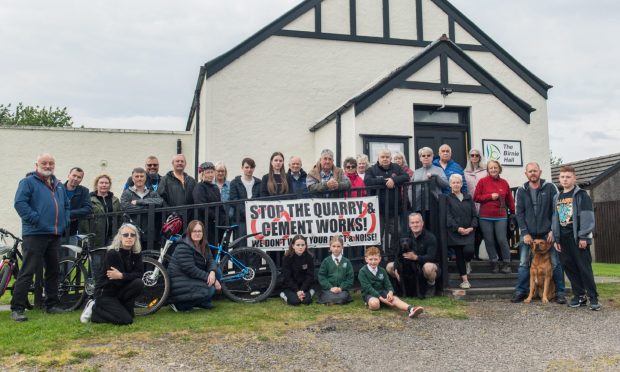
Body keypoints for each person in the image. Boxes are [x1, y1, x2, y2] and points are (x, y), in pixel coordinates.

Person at [11, 153, 70, 321]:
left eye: (51, 163)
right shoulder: (28, 182)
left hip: (55, 233)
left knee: (53, 270)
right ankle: (17, 309)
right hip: (35, 234)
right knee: (28, 271)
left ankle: (51, 305)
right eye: (44, 163)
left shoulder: (58, 185)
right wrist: (35, 219)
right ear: (36, 164)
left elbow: (66, 205)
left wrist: (64, 222)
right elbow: (20, 203)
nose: (48, 165)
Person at [511, 162, 565, 304]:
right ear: (526, 174)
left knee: (555, 263)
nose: (533, 173)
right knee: (523, 263)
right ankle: (521, 292)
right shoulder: (521, 190)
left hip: (547, 234)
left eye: (535, 171)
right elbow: (519, 213)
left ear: (540, 172)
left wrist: (553, 230)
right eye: (530, 171)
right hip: (528, 234)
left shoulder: (550, 187)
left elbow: (557, 210)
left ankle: (560, 293)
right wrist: (524, 232)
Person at [552, 165, 600, 310]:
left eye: (568, 177)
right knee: (570, 268)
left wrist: (583, 237)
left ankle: (593, 298)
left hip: (578, 238)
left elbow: (587, 217)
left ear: (574, 178)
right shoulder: (557, 197)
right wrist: (556, 238)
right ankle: (579, 296)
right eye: (562, 177)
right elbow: (555, 218)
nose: (565, 180)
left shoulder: (581, 195)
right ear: (559, 179)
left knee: (584, 269)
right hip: (563, 239)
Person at [80, 223, 144, 325]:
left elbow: (139, 274)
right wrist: (126, 276)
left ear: (136, 238)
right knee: (126, 320)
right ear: (120, 237)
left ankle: (121, 309)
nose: (129, 237)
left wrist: (122, 275)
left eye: (132, 235)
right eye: (125, 235)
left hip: (120, 290)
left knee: (138, 283)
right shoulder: (113, 253)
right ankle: (94, 310)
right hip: (106, 293)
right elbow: (116, 281)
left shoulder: (136, 253)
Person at [364, 148, 409, 259]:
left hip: (394, 210)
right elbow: (368, 181)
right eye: (382, 157)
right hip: (378, 210)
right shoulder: (371, 170)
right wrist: (385, 181)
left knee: (396, 233)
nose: (385, 159)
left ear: (390, 158)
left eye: (387, 157)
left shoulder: (396, 167)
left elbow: (406, 176)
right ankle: (377, 257)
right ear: (378, 158)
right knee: (378, 235)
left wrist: (394, 180)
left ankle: (391, 255)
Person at [167, 220, 219, 311]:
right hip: (180, 281)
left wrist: (212, 273)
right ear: (189, 232)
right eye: (194, 231)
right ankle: (180, 305)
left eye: (199, 231)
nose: (197, 233)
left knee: (217, 272)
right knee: (210, 290)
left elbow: (210, 259)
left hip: (191, 277)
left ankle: (202, 302)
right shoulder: (183, 246)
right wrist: (212, 279)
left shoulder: (203, 244)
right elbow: (190, 269)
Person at [474, 160, 515, 274]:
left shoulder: (504, 183)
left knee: (502, 239)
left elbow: (510, 200)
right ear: (488, 170)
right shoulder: (482, 181)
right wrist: (490, 197)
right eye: (491, 168)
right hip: (485, 216)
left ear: (499, 169)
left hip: (501, 216)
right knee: (489, 240)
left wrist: (513, 212)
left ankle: (507, 263)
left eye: (495, 167)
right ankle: (494, 263)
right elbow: (476, 197)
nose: (493, 170)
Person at [358, 246, 423, 318]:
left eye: (375, 259)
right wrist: (382, 299)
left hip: (382, 292)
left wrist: (390, 292)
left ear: (379, 259)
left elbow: (388, 284)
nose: (373, 262)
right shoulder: (362, 271)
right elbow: (368, 288)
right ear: (366, 259)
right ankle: (371, 303)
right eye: (371, 259)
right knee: (375, 305)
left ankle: (411, 309)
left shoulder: (382, 270)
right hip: (369, 294)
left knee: (394, 298)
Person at [387, 213, 440, 297]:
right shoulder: (405, 236)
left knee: (428, 267)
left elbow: (431, 257)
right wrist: (397, 267)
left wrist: (416, 257)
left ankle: (431, 285)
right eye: (412, 223)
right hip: (408, 267)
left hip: (425, 265)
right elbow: (396, 253)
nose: (415, 225)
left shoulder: (430, 237)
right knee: (390, 266)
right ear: (409, 224)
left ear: (422, 223)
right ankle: (401, 288)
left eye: (417, 222)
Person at [445, 174, 477, 289]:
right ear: (450, 185)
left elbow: (474, 215)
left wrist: (471, 227)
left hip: (469, 231)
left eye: (458, 182)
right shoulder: (448, 198)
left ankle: (468, 262)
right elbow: (448, 216)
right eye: (453, 183)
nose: (456, 184)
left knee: (469, 251)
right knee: (459, 255)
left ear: (462, 184)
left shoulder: (468, 197)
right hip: (455, 233)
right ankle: (465, 281)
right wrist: (458, 228)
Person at [120, 167, 164, 243]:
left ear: (145, 178)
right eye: (137, 176)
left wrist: (139, 202)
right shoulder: (126, 193)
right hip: (132, 233)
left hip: (150, 234)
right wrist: (148, 208)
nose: (139, 179)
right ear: (132, 179)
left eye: (142, 176)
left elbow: (159, 201)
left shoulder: (152, 193)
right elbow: (125, 207)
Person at [193, 162, 226, 245]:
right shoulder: (199, 187)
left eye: (212, 172)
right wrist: (215, 217)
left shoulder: (215, 187)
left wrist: (223, 219)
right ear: (202, 174)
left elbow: (219, 204)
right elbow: (201, 206)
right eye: (208, 172)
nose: (210, 175)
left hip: (216, 224)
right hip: (205, 223)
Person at [228, 158, 262, 241]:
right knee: (240, 243)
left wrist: (253, 214)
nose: (249, 170)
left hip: (255, 219)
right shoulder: (234, 182)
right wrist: (246, 213)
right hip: (240, 219)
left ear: (254, 168)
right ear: (242, 168)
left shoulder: (259, 183)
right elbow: (234, 200)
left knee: (254, 243)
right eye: (246, 167)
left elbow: (261, 199)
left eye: (251, 167)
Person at [85, 174, 122, 248]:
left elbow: (120, 218)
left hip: (112, 236)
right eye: (101, 183)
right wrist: (87, 235)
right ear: (96, 185)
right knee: (97, 258)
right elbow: (85, 220)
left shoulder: (115, 200)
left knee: (110, 257)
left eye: (106, 183)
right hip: (96, 237)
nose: (104, 185)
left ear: (109, 185)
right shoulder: (89, 200)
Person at [464, 149, 487, 260]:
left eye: (476, 155)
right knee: (472, 231)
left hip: (483, 205)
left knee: (481, 233)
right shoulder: (465, 172)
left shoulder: (485, 171)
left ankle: (477, 254)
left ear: (480, 157)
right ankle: (471, 255)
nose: (474, 157)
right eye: (472, 155)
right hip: (470, 205)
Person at [317, 235, 354, 305]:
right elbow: (322, 277)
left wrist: (341, 288)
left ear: (342, 247)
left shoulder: (346, 261)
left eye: (338, 246)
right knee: (328, 295)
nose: (336, 249)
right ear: (330, 247)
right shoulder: (326, 261)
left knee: (343, 295)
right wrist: (330, 287)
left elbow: (350, 278)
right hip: (329, 290)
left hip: (341, 290)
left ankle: (332, 300)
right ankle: (334, 299)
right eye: (333, 246)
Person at [280, 235, 315, 305]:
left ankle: (311, 292)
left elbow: (310, 276)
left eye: (303, 245)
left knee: (306, 301)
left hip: (304, 286)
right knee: (294, 302)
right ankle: (283, 294)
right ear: (293, 246)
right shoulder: (286, 258)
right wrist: (296, 290)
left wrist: (302, 290)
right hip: (291, 286)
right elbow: (287, 277)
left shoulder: (309, 257)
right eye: (298, 245)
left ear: (305, 246)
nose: (300, 247)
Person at [412, 147, 449, 212]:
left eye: (428, 155)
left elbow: (445, 184)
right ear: (420, 158)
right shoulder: (416, 172)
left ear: (432, 157)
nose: (426, 157)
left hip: (434, 205)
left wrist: (436, 176)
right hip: (418, 206)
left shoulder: (438, 170)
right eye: (423, 156)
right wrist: (412, 201)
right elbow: (410, 188)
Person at [64, 167, 92, 236]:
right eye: (74, 175)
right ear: (68, 175)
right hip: (56, 231)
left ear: (81, 179)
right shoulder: (58, 189)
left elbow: (88, 208)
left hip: (72, 232)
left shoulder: (84, 191)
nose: (76, 179)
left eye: (79, 177)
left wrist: (70, 214)